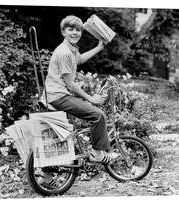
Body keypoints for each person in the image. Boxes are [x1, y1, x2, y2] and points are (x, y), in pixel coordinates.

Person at [41, 15, 118, 168]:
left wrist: (99, 47)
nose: (75, 33)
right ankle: (97, 154)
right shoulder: (64, 53)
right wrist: (91, 99)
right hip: (59, 96)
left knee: (84, 120)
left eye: (78, 30)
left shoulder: (70, 48)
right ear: (63, 32)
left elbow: (80, 59)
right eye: (71, 29)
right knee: (98, 115)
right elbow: (70, 84)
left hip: (58, 94)